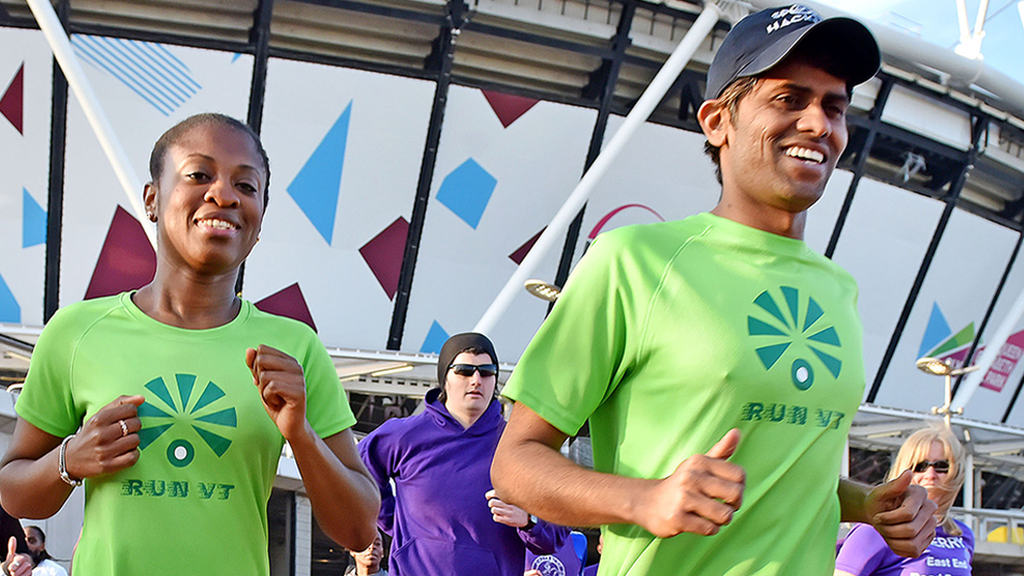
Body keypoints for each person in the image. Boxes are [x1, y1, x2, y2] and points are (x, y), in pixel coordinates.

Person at [491, 5, 939, 576]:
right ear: (716, 122)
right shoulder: (634, 262)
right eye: (788, 99)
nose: (818, 124)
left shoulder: (839, 290)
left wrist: (867, 505)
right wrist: (646, 499)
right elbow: (514, 463)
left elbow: (790, 464)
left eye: (834, 106)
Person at [0, 113, 380, 576]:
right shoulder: (77, 332)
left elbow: (360, 530)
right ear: (152, 199)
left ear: (259, 222)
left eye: (247, 186)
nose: (223, 195)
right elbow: (13, 491)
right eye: (199, 175)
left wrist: (300, 435)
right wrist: (70, 459)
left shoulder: (293, 348)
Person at [358, 333, 568, 575]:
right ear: (444, 378)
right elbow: (357, 472)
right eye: (464, 370)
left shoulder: (520, 445)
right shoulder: (402, 435)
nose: (476, 380)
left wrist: (528, 520)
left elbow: (556, 536)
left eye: (487, 371)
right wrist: (395, 524)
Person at [836, 425, 973, 575]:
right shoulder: (878, 525)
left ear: (957, 471)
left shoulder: (962, 534)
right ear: (904, 469)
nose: (930, 474)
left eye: (941, 466)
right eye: (920, 466)